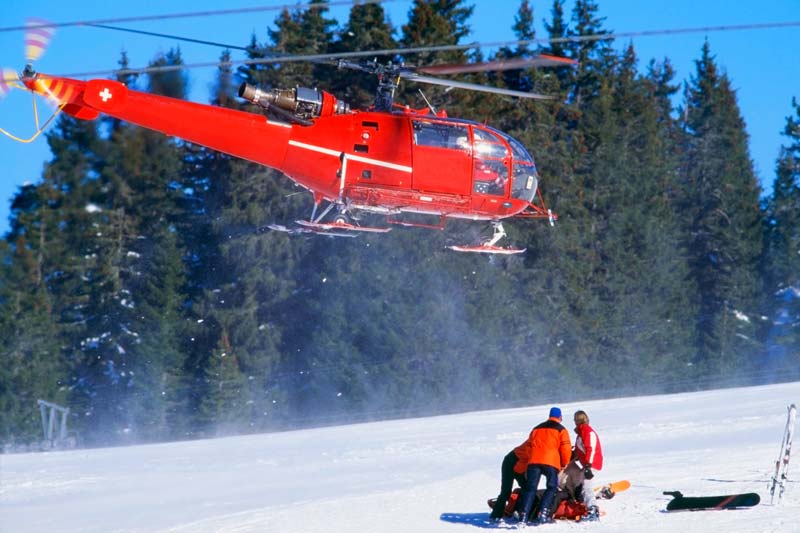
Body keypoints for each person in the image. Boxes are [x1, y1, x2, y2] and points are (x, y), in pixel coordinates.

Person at [518, 407, 572, 525]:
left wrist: (531, 459)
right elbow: (566, 448)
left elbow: (528, 447)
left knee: (530, 488)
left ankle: (523, 516)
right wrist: (565, 463)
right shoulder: (561, 430)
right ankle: (543, 513)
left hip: (534, 462)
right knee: (551, 488)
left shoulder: (536, 428)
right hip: (550, 461)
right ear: (560, 417)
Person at [560, 409, 604, 521]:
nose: (575, 421)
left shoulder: (588, 432)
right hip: (586, 464)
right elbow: (579, 450)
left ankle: (593, 510)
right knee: (580, 484)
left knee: (586, 487)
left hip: (592, 464)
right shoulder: (581, 433)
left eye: (576, 419)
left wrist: (588, 466)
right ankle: (585, 503)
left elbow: (591, 449)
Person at [489, 438, 530, 520]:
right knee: (506, 491)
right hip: (510, 462)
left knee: (528, 489)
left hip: (520, 467)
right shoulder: (536, 440)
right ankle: (495, 516)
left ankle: (516, 508)